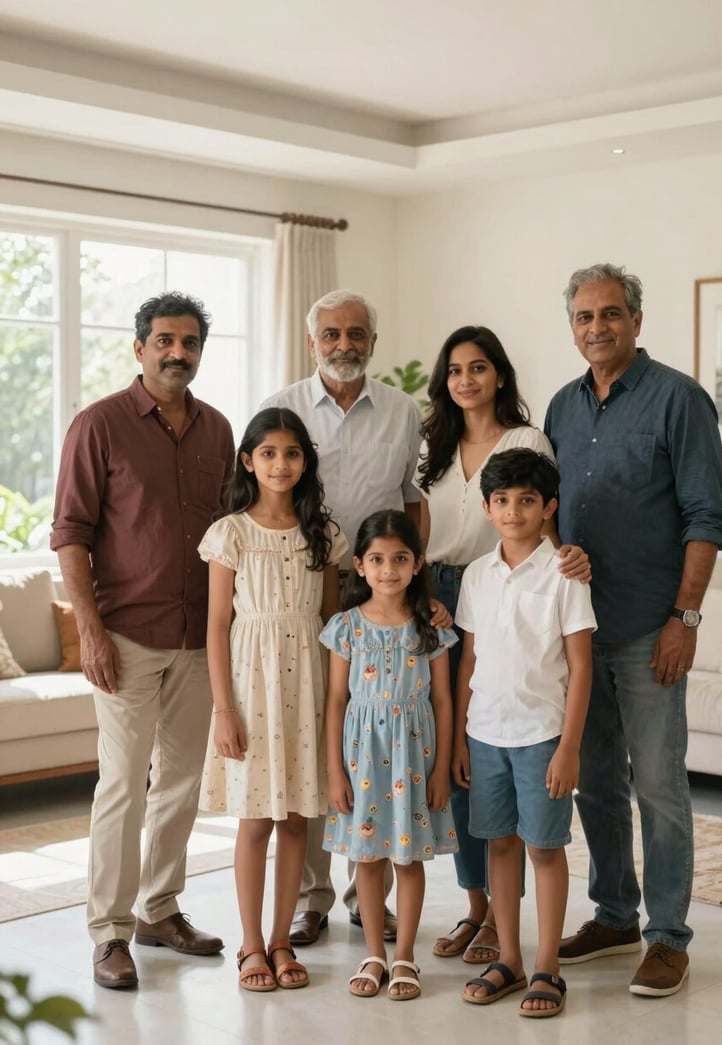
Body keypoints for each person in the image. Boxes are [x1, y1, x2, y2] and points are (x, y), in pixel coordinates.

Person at [545, 263, 722, 997]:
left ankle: (666, 935)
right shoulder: (560, 407)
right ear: (573, 327)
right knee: (595, 783)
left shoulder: (679, 400)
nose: (598, 327)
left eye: (612, 314)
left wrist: (684, 619)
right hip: (579, 636)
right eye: (585, 316)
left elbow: (706, 518)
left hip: (651, 627)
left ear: (637, 321)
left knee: (658, 785)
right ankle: (615, 912)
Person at [50, 292, 235, 989]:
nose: (176, 352)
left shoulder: (218, 429)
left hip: (196, 636)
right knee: (124, 785)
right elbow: (70, 531)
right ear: (139, 347)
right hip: (124, 636)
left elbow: (231, 529)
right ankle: (109, 931)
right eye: (163, 340)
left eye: (188, 341)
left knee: (183, 784)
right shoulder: (98, 425)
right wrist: (89, 631)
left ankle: (160, 909)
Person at [261, 289, 433, 946]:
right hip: (301, 585)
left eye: (355, 331)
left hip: (379, 587)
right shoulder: (282, 408)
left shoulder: (402, 411)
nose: (343, 343)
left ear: (372, 341)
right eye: (330, 332)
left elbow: (414, 501)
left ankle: (373, 898)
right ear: (313, 342)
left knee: (377, 736)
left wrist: (408, 578)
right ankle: (313, 896)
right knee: (317, 731)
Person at [416, 325, 590, 965]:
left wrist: (565, 556)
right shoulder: (431, 444)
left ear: (499, 375)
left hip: (514, 578)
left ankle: (507, 932)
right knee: (459, 757)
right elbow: (423, 522)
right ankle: (478, 910)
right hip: (445, 588)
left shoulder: (526, 440)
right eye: (456, 369)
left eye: (479, 368)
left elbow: (547, 510)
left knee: (504, 765)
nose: (467, 380)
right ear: (446, 380)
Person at [198, 407, 348, 992]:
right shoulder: (230, 532)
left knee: (296, 822)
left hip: (308, 683)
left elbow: (334, 622)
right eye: (268, 454)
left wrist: (341, 699)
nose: (280, 464)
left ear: (304, 461)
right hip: (249, 684)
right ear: (248, 461)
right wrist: (223, 709)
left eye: (291, 454)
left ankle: (283, 939)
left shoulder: (323, 533)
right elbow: (216, 626)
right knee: (256, 817)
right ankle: (251, 944)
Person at [452, 449, 595, 1017]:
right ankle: (508, 957)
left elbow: (580, 667)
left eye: (527, 500)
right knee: (499, 845)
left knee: (544, 848)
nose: (514, 511)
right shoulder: (475, 576)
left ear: (548, 507)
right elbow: (468, 661)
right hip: (485, 734)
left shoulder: (564, 573)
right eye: (503, 500)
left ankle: (547, 968)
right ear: (488, 509)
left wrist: (568, 748)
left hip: (542, 737)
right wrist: (461, 738)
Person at [322, 510, 458, 1000]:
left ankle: (405, 956)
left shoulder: (431, 628)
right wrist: (333, 770)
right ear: (359, 565)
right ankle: (374, 953)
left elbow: (442, 700)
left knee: (407, 857)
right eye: (377, 559)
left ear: (418, 563)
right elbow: (336, 701)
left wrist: (441, 766)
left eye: (400, 559)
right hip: (361, 758)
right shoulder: (346, 627)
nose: (388, 569)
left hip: (413, 756)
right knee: (368, 857)